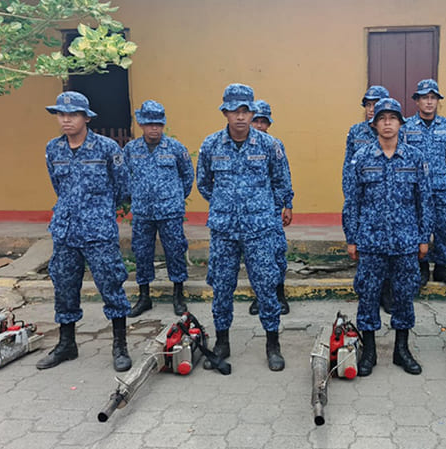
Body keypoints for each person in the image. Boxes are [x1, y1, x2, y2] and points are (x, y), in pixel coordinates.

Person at [197, 84, 291, 371]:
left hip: (259, 230)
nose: (240, 117)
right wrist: (226, 205)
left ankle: (272, 344)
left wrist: (266, 211)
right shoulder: (211, 145)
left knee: (266, 287)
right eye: (234, 111)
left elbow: (281, 183)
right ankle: (222, 342)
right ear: (224, 112)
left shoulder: (269, 145)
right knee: (222, 287)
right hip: (224, 230)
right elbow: (204, 184)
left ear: (252, 113)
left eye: (245, 111)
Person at [37, 91, 132, 372]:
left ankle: (120, 345)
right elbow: (58, 187)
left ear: (86, 118)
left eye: (73, 114)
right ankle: (67, 344)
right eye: (61, 114)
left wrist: (99, 210)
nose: (66, 120)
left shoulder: (106, 148)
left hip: (98, 231)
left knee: (111, 285)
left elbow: (122, 188)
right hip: (66, 231)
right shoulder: (53, 149)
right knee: (64, 287)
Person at [343, 97, 432, 376]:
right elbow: (352, 201)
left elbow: (424, 200)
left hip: (406, 240)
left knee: (404, 295)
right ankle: (369, 351)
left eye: (393, 118)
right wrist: (351, 237)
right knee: (368, 295)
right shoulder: (361, 158)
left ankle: (401, 350)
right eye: (382, 118)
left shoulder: (415, 157)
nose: (387, 123)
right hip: (371, 240)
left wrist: (424, 237)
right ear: (374, 124)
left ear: (401, 123)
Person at [123, 100, 194, 318]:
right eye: (149, 124)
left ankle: (178, 295)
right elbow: (123, 177)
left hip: (170, 211)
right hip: (142, 212)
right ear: (141, 124)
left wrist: (175, 198)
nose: (154, 128)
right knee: (142, 252)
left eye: (158, 124)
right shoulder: (131, 149)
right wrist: (134, 196)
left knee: (175, 251)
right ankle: (144, 297)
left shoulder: (175, 148)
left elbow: (187, 176)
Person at [401, 79, 446, 288]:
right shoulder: (407, 126)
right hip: (416, 189)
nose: (429, 102)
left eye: (433, 98)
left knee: (445, 227)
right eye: (425, 98)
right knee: (420, 227)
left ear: (437, 101)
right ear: (417, 101)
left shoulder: (445, 125)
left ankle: (442, 268)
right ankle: (422, 268)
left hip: (441, 187)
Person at [343, 84, 393, 313]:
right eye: (369, 104)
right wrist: (350, 196)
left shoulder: (395, 131)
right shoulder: (356, 132)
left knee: (390, 251)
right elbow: (348, 167)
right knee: (367, 252)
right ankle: (369, 294)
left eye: (376, 104)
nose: (371, 109)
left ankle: (387, 292)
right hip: (365, 203)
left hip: (392, 203)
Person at [247, 99, 293, 316]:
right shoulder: (241, 146)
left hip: (271, 210)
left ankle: (279, 295)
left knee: (277, 253)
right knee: (254, 256)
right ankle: (260, 296)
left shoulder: (275, 145)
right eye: (256, 121)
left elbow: (284, 176)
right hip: (248, 212)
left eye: (263, 122)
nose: (259, 126)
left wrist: (288, 204)